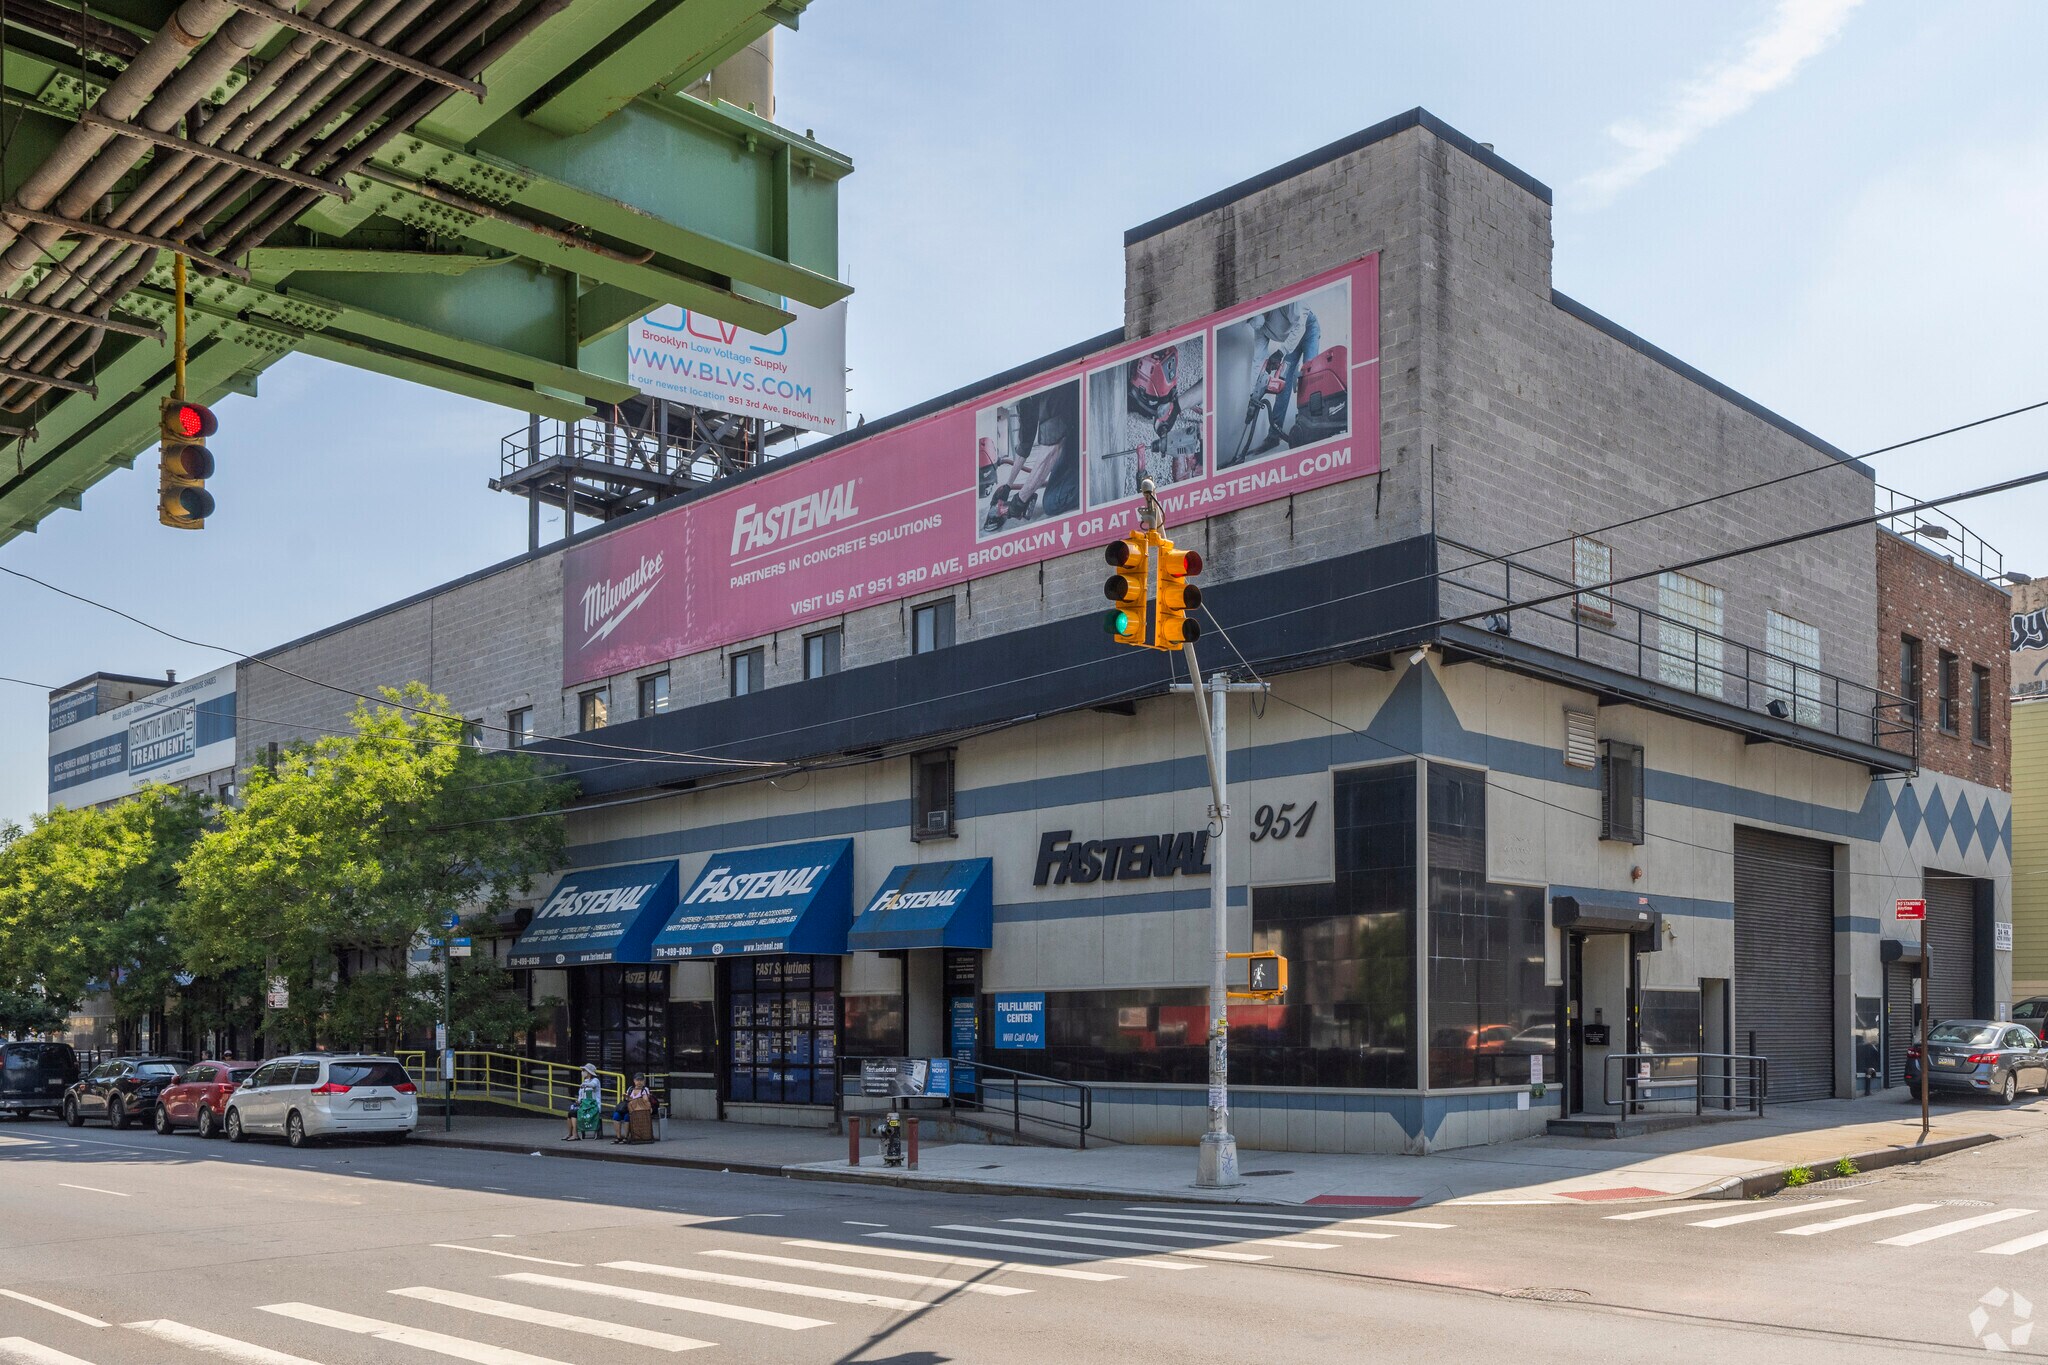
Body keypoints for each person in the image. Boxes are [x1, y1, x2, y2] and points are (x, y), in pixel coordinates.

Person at [1249, 301, 1320, 442]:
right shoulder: (1260, 328)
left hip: (1308, 329)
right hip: (1292, 342)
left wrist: (1281, 352)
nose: (1251, 322)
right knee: (1282, 383)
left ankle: (1311, 425)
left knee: (1309, 375)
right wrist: (1254, 393)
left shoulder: (1285, 302)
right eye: (1248, 320)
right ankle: (1274, 436)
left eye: (1251, 317)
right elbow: (1258, 359)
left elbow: (1300, 324)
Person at [563, 1063, 601, 1141]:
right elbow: (581, 1097)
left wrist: (585, 1084)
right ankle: (570, 1133)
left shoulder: (595, 1080)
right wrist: (578, 1101)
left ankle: (575, 1135)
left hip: (593, 1106)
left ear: (589, 1072)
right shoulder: (584, 1082)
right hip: (584, 1105)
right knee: (570, 1113)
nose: (582, 1072)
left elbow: (593, 1085)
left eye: (584, 1070)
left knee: (574, 1113)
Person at [615, 1074, 652, 1144]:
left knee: (627, 1117)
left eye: (641, 1080)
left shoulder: (645, 1089)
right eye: (637, 1080)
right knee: (616, 1115)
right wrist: (626, 1097)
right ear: (634, 1081)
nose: (639, 1082)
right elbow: (626, 1099)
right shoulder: (630, 1088)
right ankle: (618, 1137)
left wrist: (632, 1099)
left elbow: (645, 1101)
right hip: (628, 1108)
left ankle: (626, 1137)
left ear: (644, 1081)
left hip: (637, 1110)